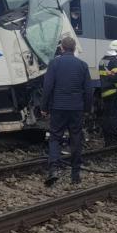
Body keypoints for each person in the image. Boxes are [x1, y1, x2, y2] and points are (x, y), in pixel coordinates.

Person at [41, 36, 93, 186]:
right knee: (76, 138)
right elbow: (88, 90)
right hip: (76, 108)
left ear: (62, 48)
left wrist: (44, 107)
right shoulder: (82, 65)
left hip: (58, 107)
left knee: (55, 138)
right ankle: (75, 174)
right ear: (74, 48)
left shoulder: (54, 63)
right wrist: (87, 109)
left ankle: (53, 170)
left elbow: (48, 87)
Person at [98, 40, 117, 146]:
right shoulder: (116, 61)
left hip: (104, 92)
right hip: (114, 93)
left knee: (106, 117)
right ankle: (113, 140)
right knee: (114, 117)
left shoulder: (102, 60)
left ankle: (107, 140)